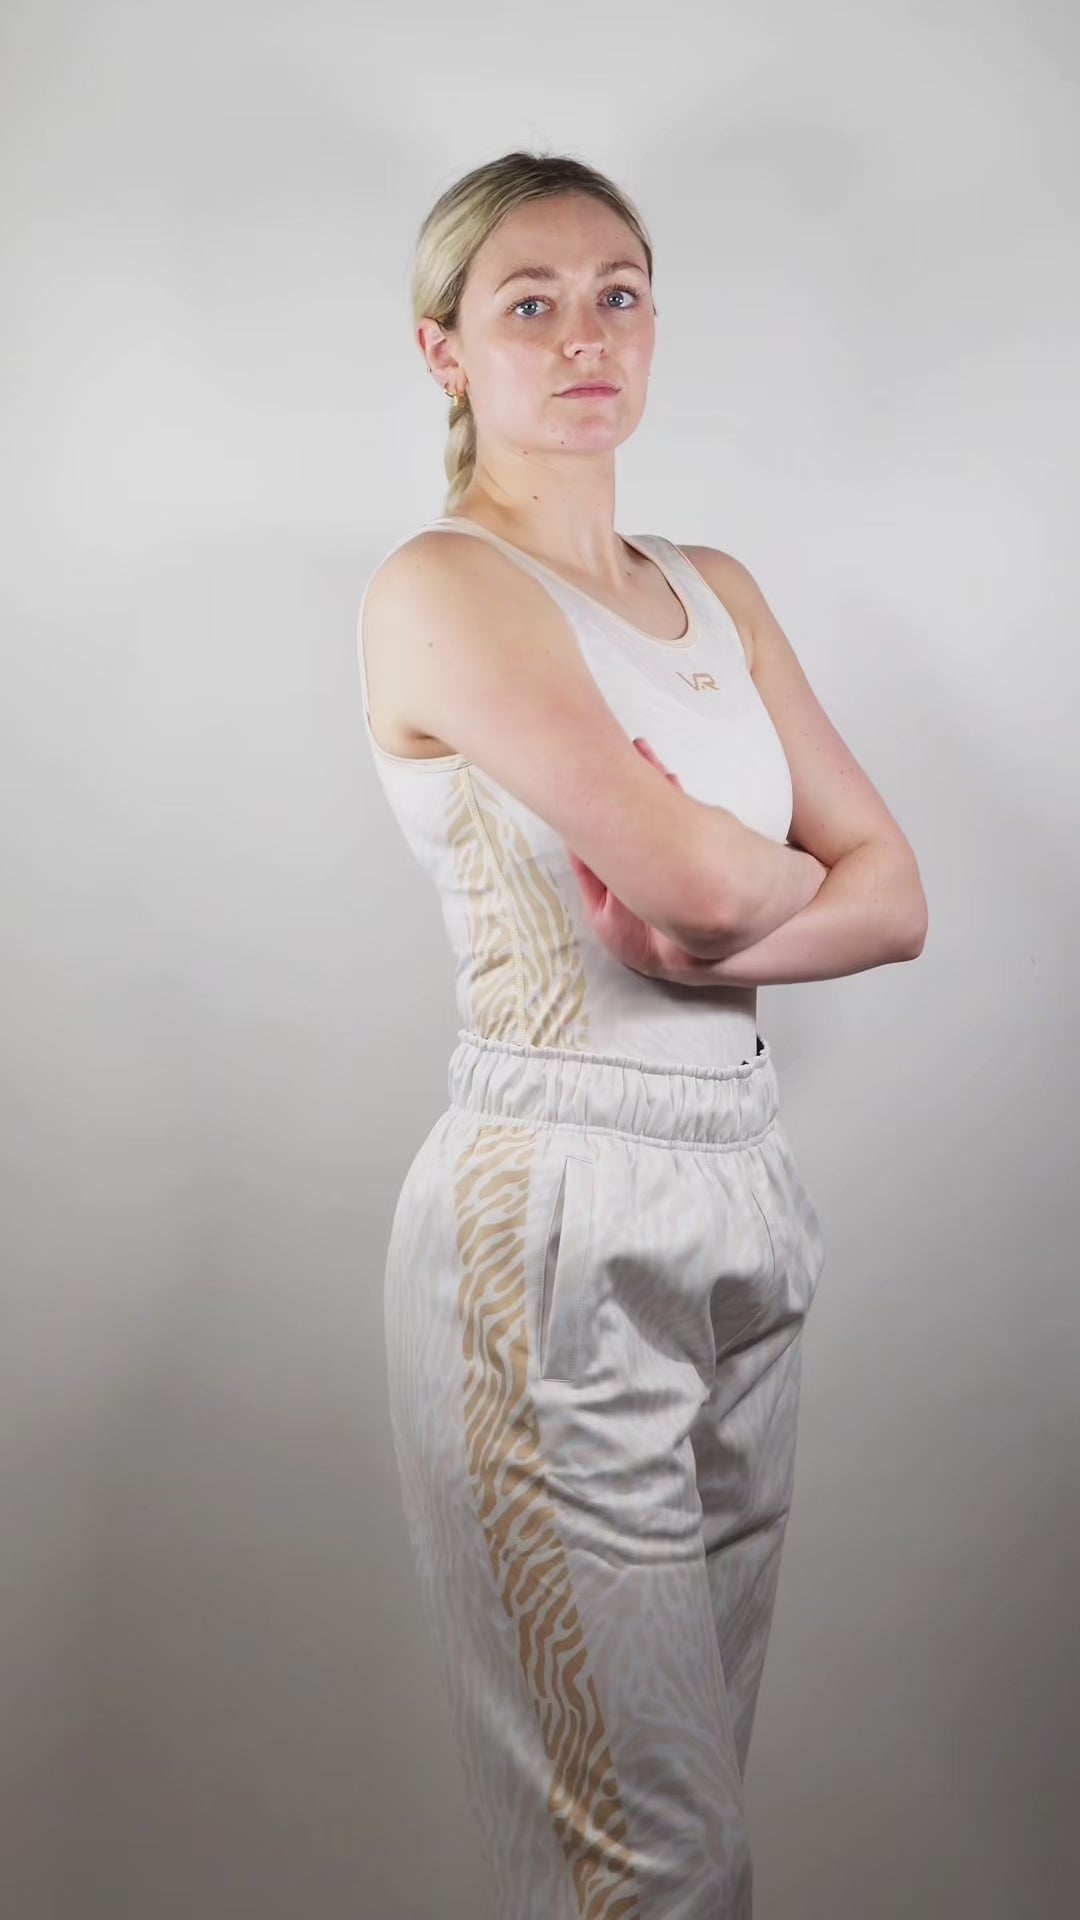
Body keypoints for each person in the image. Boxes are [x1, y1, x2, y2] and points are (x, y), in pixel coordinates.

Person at [357, 150, 927, 1920]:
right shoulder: (443, 586)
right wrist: (741, 886)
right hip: (555, 1210)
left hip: (745, 1189)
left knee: (688, 1821)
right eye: (528, 301)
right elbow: (701, 872)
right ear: (446, 351)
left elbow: (891, 894)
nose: (586, 331)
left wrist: (721, 901)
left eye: (619, 291)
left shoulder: (714, 585)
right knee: (651, 1860)